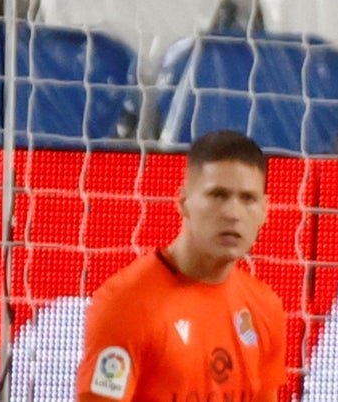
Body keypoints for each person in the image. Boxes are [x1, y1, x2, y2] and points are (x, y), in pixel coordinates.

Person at [76, 130, 286, 402]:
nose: (233, 213)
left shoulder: (264, 307)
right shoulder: (126, 304)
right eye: (218, 195)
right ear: (184, 203)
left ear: (264, 211)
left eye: (248, 199)